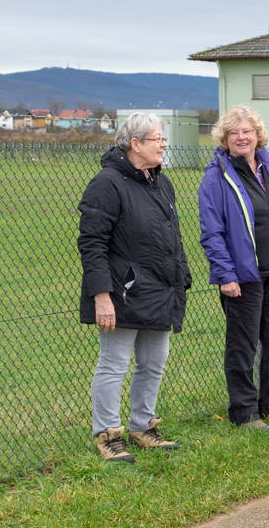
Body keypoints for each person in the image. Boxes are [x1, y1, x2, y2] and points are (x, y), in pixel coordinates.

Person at [78, 112, 191, 463]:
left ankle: (143, 427)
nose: (164, 144)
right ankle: (108, 435)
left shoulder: (162, 183)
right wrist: (102, 296)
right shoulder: (107, 183)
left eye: (163, 137)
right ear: (135, 143)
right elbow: (92, 242)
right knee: (114, 364)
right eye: (157, 138)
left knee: (154, 362)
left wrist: (180, 278)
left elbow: (173, 238)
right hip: (122, 293)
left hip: (160, 290)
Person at [198, 105, 269, 431]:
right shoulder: (216, 176)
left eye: (247, 131)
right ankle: (244, 412)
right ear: (224, 138)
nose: (242, 137)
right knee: (242, 346)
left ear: (258, 135)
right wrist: (225, 274)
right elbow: (212, 231)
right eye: (234, 132)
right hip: (241, 277)